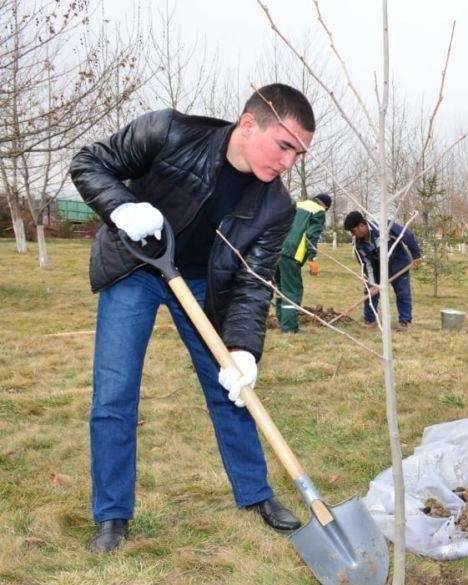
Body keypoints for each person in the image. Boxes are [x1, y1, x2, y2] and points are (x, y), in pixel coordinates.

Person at [69, 84, 316, 553]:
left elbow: (252, 281)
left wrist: (242, 347)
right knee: (115, 393)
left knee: (231, 390)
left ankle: (256, 494)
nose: (289, 163)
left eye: (298, 154)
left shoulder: (277, 207)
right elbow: (88, 162)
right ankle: (113, 515)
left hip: (203, 284)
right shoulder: (167, 132)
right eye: (284, 145)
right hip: (135, 267)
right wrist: (122, 207)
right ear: (248, 124)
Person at [344, 211, 422, 329]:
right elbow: (367, 265)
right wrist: (372, 283)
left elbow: (406, 235)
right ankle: (369, 320)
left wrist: (416, 256)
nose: (353, 234)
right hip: (377, 269)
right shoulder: (358, 245)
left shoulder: (383, 227)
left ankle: (405, 322)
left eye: (353, 231)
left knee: (403, 293)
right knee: (370, 292)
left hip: (398, 264)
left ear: (362, 225)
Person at [274, 193, 331, 333]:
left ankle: (282, 322)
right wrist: (312, 259)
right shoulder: (318, 211)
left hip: (275, 249)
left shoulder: (297, 204)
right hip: (292, 253)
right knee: (292, 291)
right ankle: (289, 329)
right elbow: (312, 235)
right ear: (325, 205)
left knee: (281, 288)